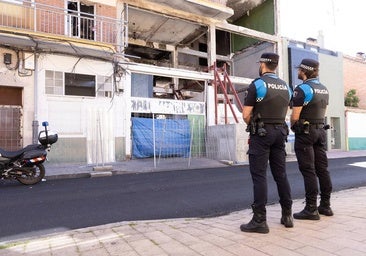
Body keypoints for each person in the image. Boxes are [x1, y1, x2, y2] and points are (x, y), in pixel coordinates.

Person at [241, 52, 293, 234]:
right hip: (280, 132)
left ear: (263, 65)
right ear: (276, 66)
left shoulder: (257, 84)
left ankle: (259, 220)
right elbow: (286, 109)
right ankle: (287, 215)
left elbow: (246, 115)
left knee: (259, 176)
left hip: (261, 134)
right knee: (281, 175)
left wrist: (255, 124)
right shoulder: (287, 86)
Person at [291, 58, 333, 220]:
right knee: (322, 169)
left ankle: (311, 209)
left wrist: (294, 126)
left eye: (299, 69)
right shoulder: (324, 89)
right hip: (321, 130)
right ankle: (326, 206)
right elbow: (323, 111)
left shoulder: (302, 89)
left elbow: (295, 116)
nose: (298, 72)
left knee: (309, 170)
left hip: (306, 133)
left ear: (304, 71)